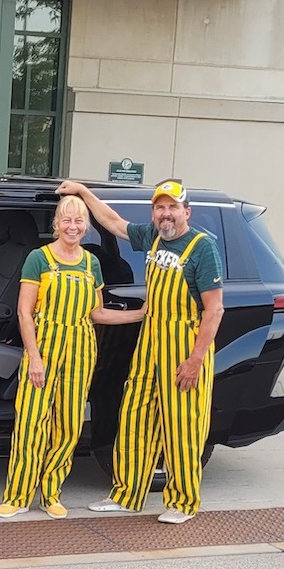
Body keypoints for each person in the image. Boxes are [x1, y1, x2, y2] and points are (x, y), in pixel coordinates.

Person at [58, 177, 224, 525]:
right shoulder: (152, 236)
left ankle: (183, 502)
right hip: (150, 343)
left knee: (182, 426)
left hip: (184, 348)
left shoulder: (202, 247)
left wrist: (195, 360)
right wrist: (84, 194)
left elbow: (214, 310)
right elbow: (114, 222)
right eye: (160, 208)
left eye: (172, 208)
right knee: (135, 416)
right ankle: (127, 495)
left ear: (186, 212)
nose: (166, 214)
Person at [0, 194, 134, 519]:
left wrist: (140, 314)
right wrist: (35, 358)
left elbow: (97, 313)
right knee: (31, 423)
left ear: (86, 227)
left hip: (81, 350)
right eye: (66, 220)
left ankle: (51, 493)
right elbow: (24, 313)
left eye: (78, 221)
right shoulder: (38, 259)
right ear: (56, 224)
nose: (72, 226)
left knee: (69, 425)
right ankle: (17, 495)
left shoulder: (91, 263)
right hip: (43, 348)